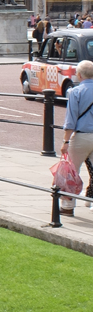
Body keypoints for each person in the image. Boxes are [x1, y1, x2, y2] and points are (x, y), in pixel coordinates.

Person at [60, 61, 93, 215]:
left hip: (81, 136)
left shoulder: (75, 92)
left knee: (72, 172)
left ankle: (67, 206)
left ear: (79, 75)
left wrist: (65, 141)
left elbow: (71, 119)